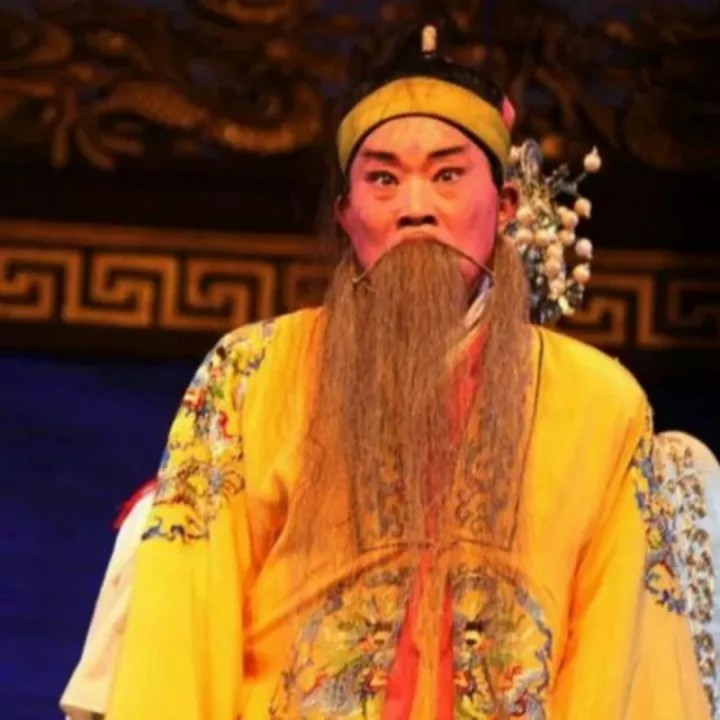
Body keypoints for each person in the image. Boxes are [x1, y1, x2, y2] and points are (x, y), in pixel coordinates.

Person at [66, 22, 715, 720]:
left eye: (447, 175)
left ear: (505, 208)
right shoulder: (250, 373)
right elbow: (184, 620)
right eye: (382, 179)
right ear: (346, 215)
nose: (415, 208)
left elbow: (623, 663)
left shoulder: (600, 405)